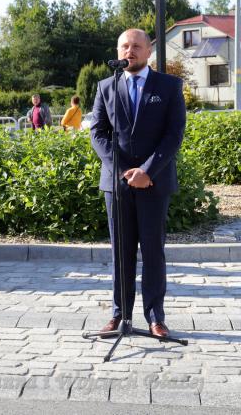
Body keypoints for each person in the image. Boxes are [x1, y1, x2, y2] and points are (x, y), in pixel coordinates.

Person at [91, 29, 186, 338]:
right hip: (117, 185)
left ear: (148, 52)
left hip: (154, 183)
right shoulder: (106, 86)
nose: (128, 51)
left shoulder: (169, 86)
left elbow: (174, 134)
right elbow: (98, 133)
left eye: (135, 46)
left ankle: (155, 317)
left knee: (153, 251)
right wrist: (123, 171)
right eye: (124, 46)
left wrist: (147, 171)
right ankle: (120, 314)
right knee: (121, 252)